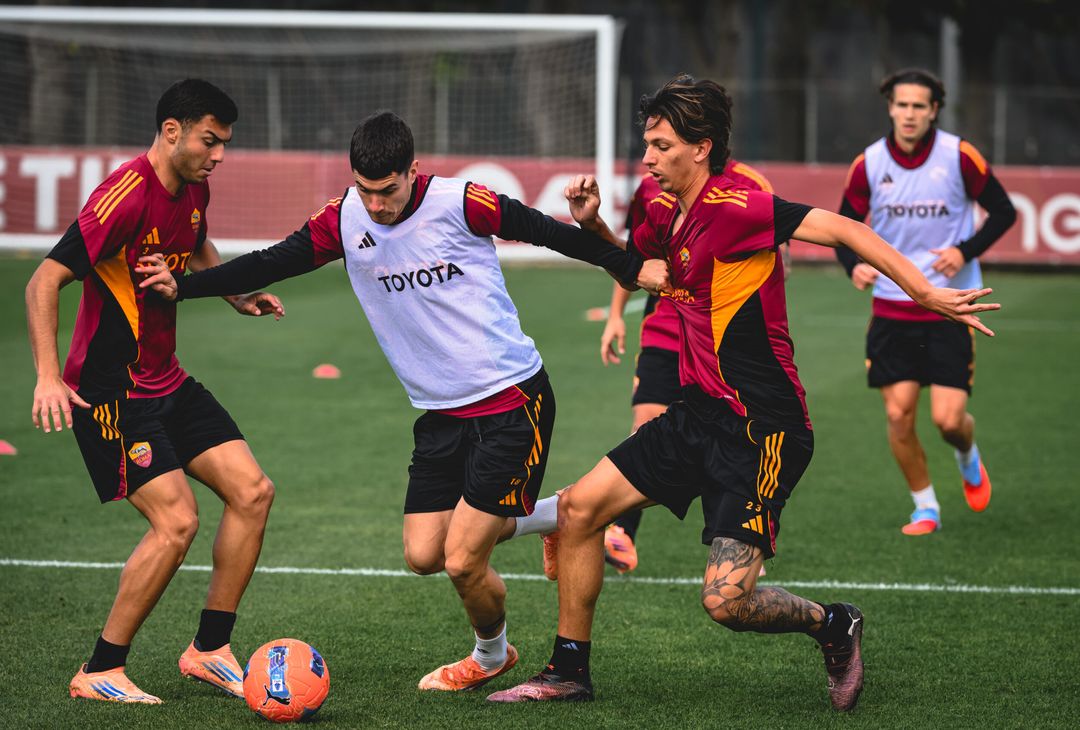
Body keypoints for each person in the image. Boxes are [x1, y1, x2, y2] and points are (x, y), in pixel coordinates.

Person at [487, 74, 998, 710]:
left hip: (764, 429)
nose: (646, 157)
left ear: (700, 147)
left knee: (726, 603)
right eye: (646, 143)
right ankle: (569, 672)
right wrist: (595, 230)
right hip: (698, 413)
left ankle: (832, 624)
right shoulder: (668, 207)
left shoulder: (739, 207)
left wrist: (922, 291)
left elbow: (842, 228)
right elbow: (646, 273)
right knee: (581, 512)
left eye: (660, 144)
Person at [136, 111, 669, 693]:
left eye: (387, 190)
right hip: (439, 414)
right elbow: (272, 261)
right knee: (424, 554)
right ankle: (553, 515)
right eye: (365, 190)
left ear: (412, 172)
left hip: (511, 399)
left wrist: (631, 266)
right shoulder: (343, 218)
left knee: (465, 560)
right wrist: (184, 286)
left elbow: (548, 230)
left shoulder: (463, 202)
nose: (376, 204)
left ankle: (490, 654)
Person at [25, 79, 283, 704]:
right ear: (173, 132)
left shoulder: (194, 188)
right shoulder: (122, 197)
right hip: (109, 392)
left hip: (167, 380)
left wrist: (234, 293)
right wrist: (47, 375)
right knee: (177, 522)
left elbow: (193, 246)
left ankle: (209, 649)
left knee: (253, 492)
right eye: (210, 140)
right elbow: (44, 280)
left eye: (223, 142)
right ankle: (100, 669)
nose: (218, 153)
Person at [835, 68, 1017, 535]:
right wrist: (852, 263)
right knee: (898, 415)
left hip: (950, 305)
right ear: (890, 108)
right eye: (902, 105)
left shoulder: (959, 156)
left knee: (948, 420)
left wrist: (964, 251)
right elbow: (842, 227)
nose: (910, 114)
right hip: (892, 308)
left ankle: (967, 453)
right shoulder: (870, 163)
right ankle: (925, 507)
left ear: (934, 110)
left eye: (920, 105)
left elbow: (1004, 211)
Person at [601, 160, 783, 574]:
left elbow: (771, 259)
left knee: (720, 432)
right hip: (664, 325)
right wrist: (615, 315)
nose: (653, 154)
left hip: (721, 335)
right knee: (647, 418)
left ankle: (736, 533)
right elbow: (633, 257)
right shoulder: (650, 190)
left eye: (665, 141)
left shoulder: (750, 185)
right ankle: (622, 530)